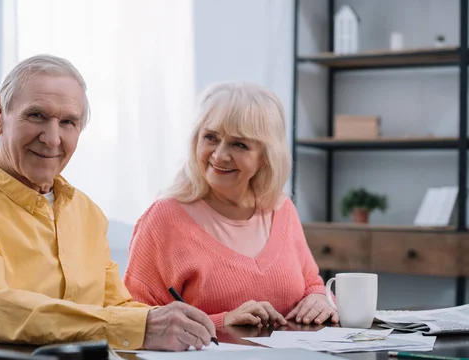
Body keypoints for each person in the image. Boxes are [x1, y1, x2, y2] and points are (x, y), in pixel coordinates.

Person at [0, 54, 215, 351]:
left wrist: (189, 325)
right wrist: (140, 327)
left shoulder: (87, 213)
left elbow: (116, 306)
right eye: (36, 115)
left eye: (67, 122)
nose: (52, 138)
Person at [124, 82, 339, 328]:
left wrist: (320, 299)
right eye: (211, 138)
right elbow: (138, 320)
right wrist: (222, 322)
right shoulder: (164, 218)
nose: (219, 155)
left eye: (239, 144)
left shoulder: (282, 209)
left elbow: (312, 284)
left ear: (266, 157)